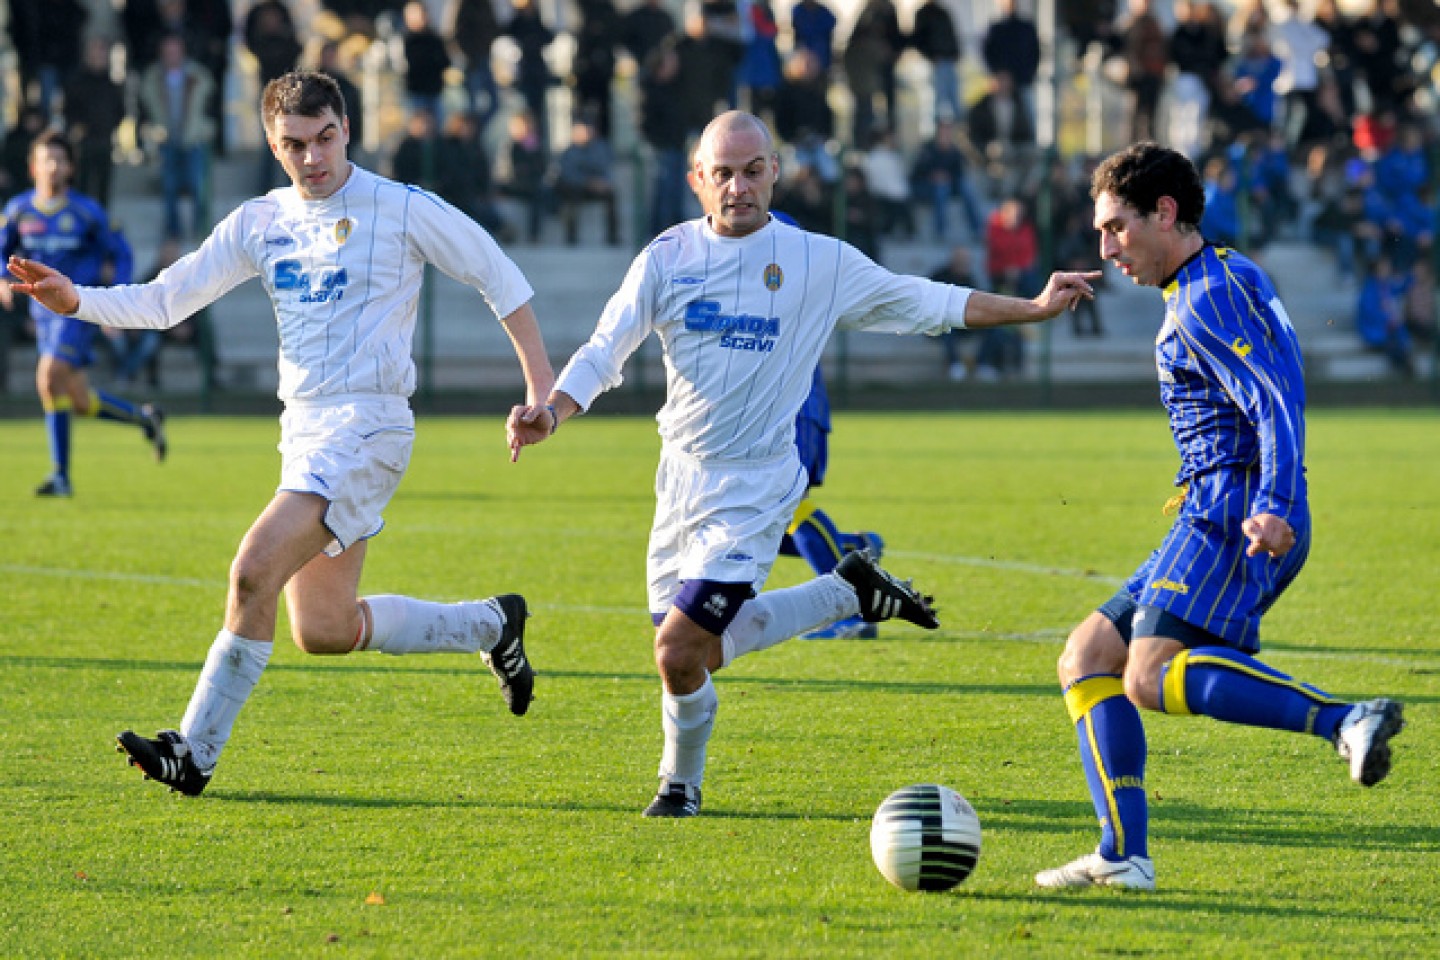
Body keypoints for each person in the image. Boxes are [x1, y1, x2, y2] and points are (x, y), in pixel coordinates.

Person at [506, 110, 1099, 818]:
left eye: (752, 171)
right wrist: (554, 408)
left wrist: (1031, 307)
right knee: (694, 653)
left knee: (676, 652)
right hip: (680, 479)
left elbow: (925, 301)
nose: (737, 187)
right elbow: (606, 350)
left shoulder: (820, 260)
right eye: (721, 174)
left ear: (775, 173)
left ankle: (679, 785)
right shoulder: (666, 257)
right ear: (697, 180)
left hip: (757, 485)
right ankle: (845, 594)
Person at [7, 71, 555, 796]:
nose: (313, 157)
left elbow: (499, 275)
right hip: (304, 433)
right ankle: (492, 626)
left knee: (252, 568)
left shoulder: (398, 207)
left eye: (326, 137)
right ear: (273, 144)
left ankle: (193, 752)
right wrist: (77, 300)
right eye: (295, 144)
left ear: (347, 128)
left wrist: (539, 393)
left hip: (370, 426)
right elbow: (169, 299)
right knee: (323, 628)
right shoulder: (259, 223)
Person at [1035, 142, 1405, 892]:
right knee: (1087, 656)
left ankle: (1344, 720)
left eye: (1116, 229)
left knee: (1146, 674)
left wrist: (1272, 503)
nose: (1106, 250)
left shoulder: (1207, 295)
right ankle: (1122, 855)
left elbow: (1274, 399)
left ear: (1165, 213)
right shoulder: (1220, 274)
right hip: (1214, 507)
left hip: (1233, 508)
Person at [0, 130, 162, 498]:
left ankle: (60, 477)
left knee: (47, 377)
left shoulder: (87, 212)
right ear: (32, 167)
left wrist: (115, 302)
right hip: (43, 317)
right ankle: (144, 418)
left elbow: (120, 254)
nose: (53, 167)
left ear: (70, 167)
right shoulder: (18, 210)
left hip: (76, 311)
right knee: (77, 399)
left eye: (60, 160)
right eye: (46, 160)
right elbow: (2, 250)